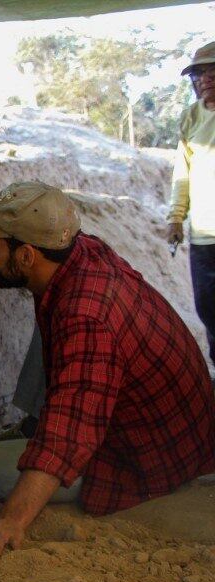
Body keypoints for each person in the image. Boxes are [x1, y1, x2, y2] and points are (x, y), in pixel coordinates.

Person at [0, 181, 215, 554]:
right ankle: (31, 429)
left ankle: (35, 446)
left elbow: (71, 430)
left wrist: (12, 521)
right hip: (168, 419)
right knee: (50, 318)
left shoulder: (87, 319)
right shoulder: (76, 253)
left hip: (146, 454)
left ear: (26, 256)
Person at [168, 40, 215, 364]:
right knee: (209, 309)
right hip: (203, 237)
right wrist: (175, 218)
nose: (205, 80)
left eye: (213, 72)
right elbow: (181, 171)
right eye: (199, 74)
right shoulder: (191, 117)